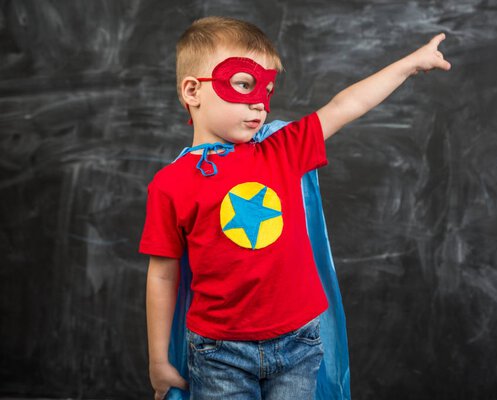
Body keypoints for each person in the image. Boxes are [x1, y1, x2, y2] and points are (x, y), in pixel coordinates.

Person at [139, 16, 451, 400]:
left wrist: (409, 64)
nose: (258, 102)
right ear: (192, 91)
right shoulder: (171, 183)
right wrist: (158, 361)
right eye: (242, 84)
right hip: (219, 353)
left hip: (298, 343)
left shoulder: (282, 149)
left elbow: (345, 105)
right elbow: (163, 275)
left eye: (267, 90)